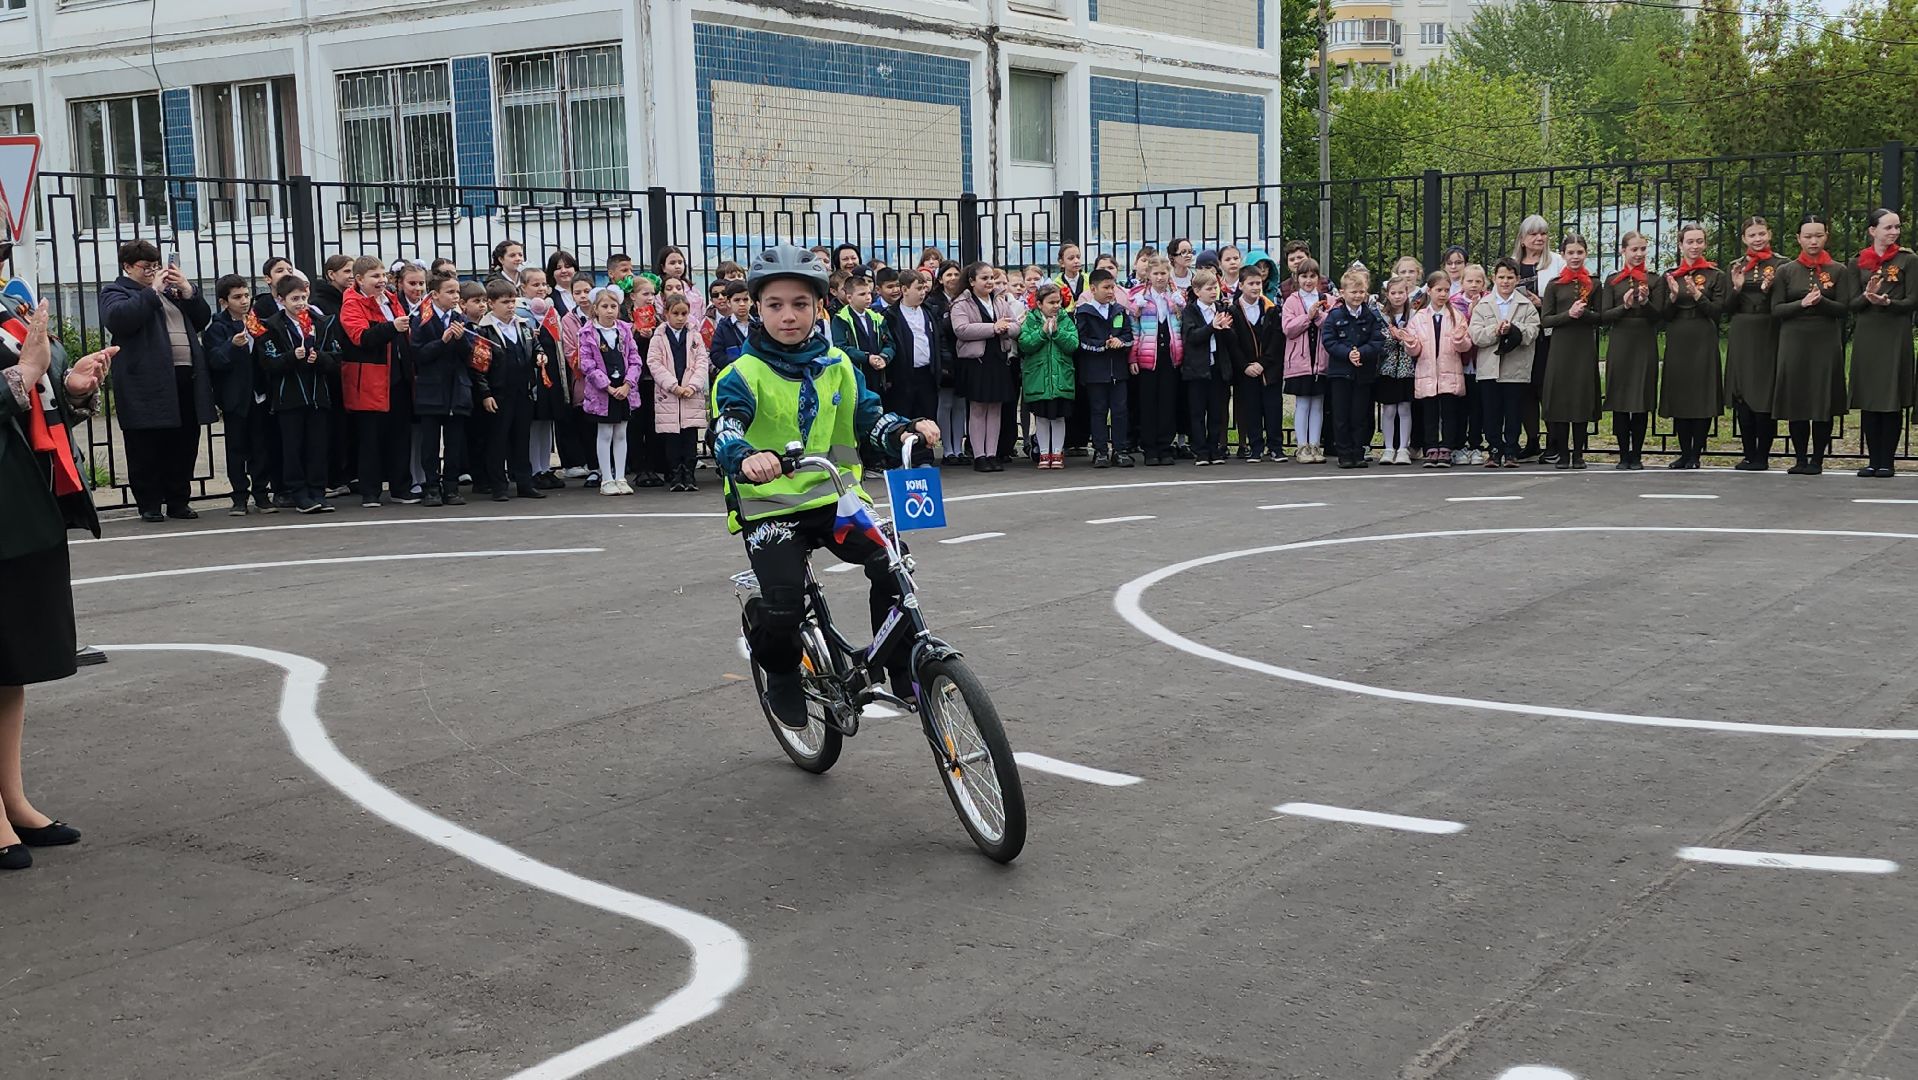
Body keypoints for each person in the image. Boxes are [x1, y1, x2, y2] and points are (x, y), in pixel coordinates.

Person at [709, 245, 938, 728]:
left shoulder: (838, 364)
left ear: (819, 308)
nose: (788, 316)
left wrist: (904, 430)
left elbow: (869, 417)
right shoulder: (740, 375)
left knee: (894, 562)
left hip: (836, 500)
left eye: (800, 304)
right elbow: (725, 430)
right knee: (784, 603)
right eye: (775, 305)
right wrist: (746, 456)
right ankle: (783, 674)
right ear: (757, 307)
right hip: (770, 510)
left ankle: (897, 664)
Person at [0, 300, 113, 870]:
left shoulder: (6, 310)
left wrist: (69, 388)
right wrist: (21, 375)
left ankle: (13, 801)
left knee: (11, 664)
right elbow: (17, 381)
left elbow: (31, 408)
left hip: (25, 509)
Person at [99, 240, 214, 522]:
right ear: (127, 267)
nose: (153, 271)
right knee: (146, 443)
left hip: (184, 374)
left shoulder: (173, 293)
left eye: (155, 266)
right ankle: (149, 503)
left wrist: (189, 292)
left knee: (184, 441)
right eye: (145, 267)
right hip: (146, 380)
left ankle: (178, 501)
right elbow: (119, 320)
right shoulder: (116, 291)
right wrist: (151, 292)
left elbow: (201, 320)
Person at [1771, 213, 1852, 476]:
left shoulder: (1838, 270)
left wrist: (1822, 303)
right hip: (1794, 339)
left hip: (1824, 339)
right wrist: (1802, 304)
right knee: (1798, 398)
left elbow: (1844, 308)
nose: (1813, 241)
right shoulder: (1786, 271)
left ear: (1826, 236)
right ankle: (1800, 458)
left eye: (1818, 235)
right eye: (1808, 236)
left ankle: (1817, 459)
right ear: (1798, 238)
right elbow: (1777, 309)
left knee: (1821, 397)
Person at [257, 273, 342, 514]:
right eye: (295, 298)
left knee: (317, 446)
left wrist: (320, 358)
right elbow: (268, 361)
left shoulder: (321, 322)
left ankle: (317, 490)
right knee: (293, 447)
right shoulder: (271, 326)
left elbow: (336, 357)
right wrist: (291, 358)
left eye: (304, 297)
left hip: (317, 396)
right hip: (289, 398)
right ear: (282, 299)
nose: (300, 303)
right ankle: (299, 493)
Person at [337, 256, 416, 506]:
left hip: (399, 376)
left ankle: (400, 487)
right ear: (359, 280)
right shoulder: (352, 304)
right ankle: (370, 491)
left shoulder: (392, 300)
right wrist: (392, 327)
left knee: (400, 434)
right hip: (370, 379)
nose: (381, 281)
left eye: (383, 276)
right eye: (375, 277)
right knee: (370, 437)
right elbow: (361, 337)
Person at [1848, 208, 1915, 478]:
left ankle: (1887, 461)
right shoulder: (1858, 262)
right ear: (1872, 231)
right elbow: (1850, 303)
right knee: (1870, 396)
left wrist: (1888, 302)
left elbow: (1913, 300)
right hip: (1867, 332)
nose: (1894, 232)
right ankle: (1873, 460)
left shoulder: (1908, 260)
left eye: (1897, 227)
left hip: (1894, 330)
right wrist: (1868, 296)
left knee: (1890, 396)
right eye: (1888, 227)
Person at [203, 274, 277, 515]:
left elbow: (267, 354)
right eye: (237, 297)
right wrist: (231, 346)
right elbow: (215, 360)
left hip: (259, 395)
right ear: (224, 302)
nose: (244, 301)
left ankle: (261, 493)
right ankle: (239, 496)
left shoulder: (256, 322)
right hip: (236, 399)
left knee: (261, 446)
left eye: (246, 295)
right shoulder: (217, 327)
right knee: (237, 448)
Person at [1658, 223, 1727, 470]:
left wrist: (1698, 296)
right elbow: (1662, 316)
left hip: (1702, 335)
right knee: (1681, 394)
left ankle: (1696, 454)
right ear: (1681, 245)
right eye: (1690, 242)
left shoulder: (1715, 275)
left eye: (1699, 241)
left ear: (1705, 244)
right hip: (1678, 336)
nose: (1695, 246)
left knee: (1701, 396)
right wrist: (1674, 297)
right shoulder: (1671, 275)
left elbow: (1719, 312)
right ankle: (1684, 452)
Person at [472, 279, 547, 501]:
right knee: (498, 440)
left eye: (513, 301)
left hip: (522, 391)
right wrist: (485, 393)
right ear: (491, 303)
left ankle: (525, 483)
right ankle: (499, 486)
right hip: (499, 393)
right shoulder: (484, 330)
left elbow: (534, 346)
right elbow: (478, 367)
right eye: (505, 302)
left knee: (521, 439)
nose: (511, 306)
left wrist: (539, 355)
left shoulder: (522, 325)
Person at [409, 274, 478, 507]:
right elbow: (418, 355)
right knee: (429, 443)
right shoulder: (422, 319)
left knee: (454, 442)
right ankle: (431, 486)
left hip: (456, 390)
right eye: (450, 292)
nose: (455, 296)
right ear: (435, 294)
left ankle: (451, 487)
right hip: (431, 390)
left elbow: (470, 355)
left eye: (457, 292)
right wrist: (443, 340)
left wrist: (460, 340)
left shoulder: (461, 319)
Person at [1725, 218, 1786, 471]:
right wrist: (1736, 289)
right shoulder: (1736, 266)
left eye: (1761, 233)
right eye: (1752, 235)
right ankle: (1748, 453)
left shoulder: (1782, 265)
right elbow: (1725, 309)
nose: (1758, 239)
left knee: (1763, 393)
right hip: (1742, 330)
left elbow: (1783, 302)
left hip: (1767, 330)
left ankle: (1763, 455)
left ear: (1769, 234)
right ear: (1744, 238)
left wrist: (1768, 290)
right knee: (1743, 394)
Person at [1468, 258, 1541, 468]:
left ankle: (1511, 451)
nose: (1505, 281)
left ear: (1517, 279)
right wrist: (1495, 330)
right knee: (1491, 411)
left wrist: (1513, 329)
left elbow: (1533, 331)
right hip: (1489, 368)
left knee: (1513, 411)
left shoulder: (1525, 305)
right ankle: (1494, 450)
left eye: (1510, 277)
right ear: (1493, 279)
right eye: (1501, 277)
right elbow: (1476, 334)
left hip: (1515, 368)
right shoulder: (1483, 305)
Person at [1538, 235, 1602, 470]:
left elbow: (1601, 317)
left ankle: (1578, 453)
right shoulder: (1555, 284)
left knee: (1580, 397)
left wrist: (1584, 314)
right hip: (1561, 347)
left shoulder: (1594, 283)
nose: (1575, 257)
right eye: (1571, 253)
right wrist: (1569, 315)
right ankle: (1563, 453)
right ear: (1563, 255)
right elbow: (1545, 320)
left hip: (1583, 346)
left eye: (1579, 252)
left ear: (1586, 254)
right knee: (1562, 399)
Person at [949, 262, 1019, 472]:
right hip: (976, 362)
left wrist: (1007, 328)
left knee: (996, 407)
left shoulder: (999, 300)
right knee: (978, 408)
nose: (989, 282)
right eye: (984, 278)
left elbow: (1016, 325)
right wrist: (993, 327)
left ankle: (992, 453)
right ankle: (979, 455)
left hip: (998, 359)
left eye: (991, 278)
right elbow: (961, 329)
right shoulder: (961, 303)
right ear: (972, 281)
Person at [1602, 232, 1661, 471]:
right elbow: (1604, 316)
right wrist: (1624, 306)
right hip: (1621, 341)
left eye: (1642, 249)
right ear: (1623, 251)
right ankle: (1622, 453)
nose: (1638, 254)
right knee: (1620, 396)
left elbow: (1661, 316)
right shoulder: (1613, 280)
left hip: (1644, 340)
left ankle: (1636, 454)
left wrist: (1646, 303)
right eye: (1634, 249)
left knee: (1640, 397)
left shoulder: (1655, 280)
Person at [1320, 268, 1385, 470]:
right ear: (1342, 292)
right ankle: (1344, 454)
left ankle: (1358, 452)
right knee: (1341, 415)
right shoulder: (1334, 315)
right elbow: (1329, 341)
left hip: (1363, 373)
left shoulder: (1371, 316)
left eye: (1361, 292)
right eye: (1353, 292)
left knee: (1360, 415)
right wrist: (1348, 353)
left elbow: (1377, 340)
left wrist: (1362, 353)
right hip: (1340, 373)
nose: (1357, 296)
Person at [578, 285, 640, 495]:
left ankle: (621, 477)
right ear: (595, 308)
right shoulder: (587, 333)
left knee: (621, 433)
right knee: (605, 433)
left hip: (624, 390)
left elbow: (634, 360)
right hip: (603, 393)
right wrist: (608, 387)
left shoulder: (625, 331)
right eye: (604, 306)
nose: (609, 310)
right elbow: (587, 365)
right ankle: (606, 478)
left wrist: (628, 384)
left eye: (613, 306)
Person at [1512, 216, 1565, 462]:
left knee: (1548, 388)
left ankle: (1554, 441)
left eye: (1543, 234)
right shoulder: (1512, 264)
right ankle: (1531, 440)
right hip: (1521, 337)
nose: (1539, 238)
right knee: (1525, 390)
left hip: (1547, 336)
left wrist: (1542, 304)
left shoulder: (1557, 262)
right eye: (1534, 234)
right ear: (1522, 239)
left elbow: (1564, 298)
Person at [647, 292, 710, 492]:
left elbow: (701, 362)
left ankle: (689, 474)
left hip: (691, 393)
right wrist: (674, 386)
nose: (680, 318)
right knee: (672, 439)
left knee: (690, 437)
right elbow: (654, 363)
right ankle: (675, 474)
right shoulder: (658, 337)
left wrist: (692, 386)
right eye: (676, 313)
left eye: (684, 313)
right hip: (670, 395)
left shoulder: (695, 336)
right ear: (666, 313)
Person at [1408, 270, 1471, 467]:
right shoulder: (1418, 318)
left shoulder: (1456, 316)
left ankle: (1447, 448)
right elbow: (1415, 349)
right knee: (1430, 413)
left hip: (1449, 373)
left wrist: (1460, 340)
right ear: (1429, 290)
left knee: (1449, 412)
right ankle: (1431, 447)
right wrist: (1410, 343)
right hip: (1427, 373)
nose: (1442, 294)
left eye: (1446, 290)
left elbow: (1465, 346)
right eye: (1438, 290)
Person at [1074, 268, 1134, 469]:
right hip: (1095, 373)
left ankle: (1120, 450)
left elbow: (1128, 336)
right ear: (1093, 288)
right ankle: (1100, 450)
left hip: (1117, 371)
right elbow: (1080, 341)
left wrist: (1120, 341)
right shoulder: (1083, 313)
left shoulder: (1119, 311)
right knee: (1098, 411)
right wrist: (1102, 345)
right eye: (1106, 287)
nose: (1110, 292)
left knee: (1120, 411)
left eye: (1113, 287)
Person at [1128, 255, 1185, 467]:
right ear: (1149, 275)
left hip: (1169, 357)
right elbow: (1135, 330)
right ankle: (1150, 448)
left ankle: (1165, 446)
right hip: (1147, 356)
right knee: (1148, 403)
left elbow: (1181, 327)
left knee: (1168, 402)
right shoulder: (1141, 299)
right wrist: (1132, 355)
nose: (1160, 277)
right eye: (1156, 274)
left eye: (1163, 273)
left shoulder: (1176, 298)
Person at [1018, 283, 1078, 470]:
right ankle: (1044, 452)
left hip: (1060, 376)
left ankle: (1057, 452)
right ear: (1039, 303)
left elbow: (1073, 344)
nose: (1056, 306)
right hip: (1038, 377)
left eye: (1058, 301)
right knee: (1042, 417)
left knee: (1059, 417)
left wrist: (1057, 333)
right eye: (1051, 302)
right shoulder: (1030, 320)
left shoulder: (1065, 320)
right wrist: (1042, 332)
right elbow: (1025, 344)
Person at [1227, 264, 1284, 462]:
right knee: (1251, 408)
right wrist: (1245, 365)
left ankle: (1276, 447)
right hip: (1246, 371)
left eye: (1258, 283)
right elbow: (1232, 343)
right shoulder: (1233, 311)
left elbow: (1277, 340)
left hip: (1269, 369)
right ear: (1241, 285)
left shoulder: (1271, 308)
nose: (1255, 287)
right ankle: (1256, 447)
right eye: (1250, 283)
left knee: (1273, 408)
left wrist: (1263, 363)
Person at [1281, 258, 1333, 464]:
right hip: (1300, 361)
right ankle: (1301, 446)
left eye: (1312, 276)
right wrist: (1307, 317)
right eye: (1304, 276)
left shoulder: (1326, 299)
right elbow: (1288, 329)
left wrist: (1318, 316)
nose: (1308, 280)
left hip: (1320, 361)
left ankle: (1315, 445)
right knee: (1303, 403)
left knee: (1318, 403)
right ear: (1297, 278)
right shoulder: (1292, 301)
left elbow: (1330, 325)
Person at [1180, 269, 1233, 467]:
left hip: (1217, 367)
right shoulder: (1190, 311)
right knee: (1197, 411)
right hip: (1197, 369)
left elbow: (1231, 340)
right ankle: (1200, 450)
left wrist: (1226, 329)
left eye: (1215, 288)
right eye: (1209, 288)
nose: (1213, 292)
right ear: (1197, 290)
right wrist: (1212, 326)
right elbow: (1191, 337)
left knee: (1216, 411)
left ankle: (1214, 448)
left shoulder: (1221, 309)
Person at [882, 269, 941, 422]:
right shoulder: (891, 315)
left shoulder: (929, 311)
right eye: (918, 288)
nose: (922, 293)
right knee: (904, 420)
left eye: (924, 288)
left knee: (927, 419)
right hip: (903, 377)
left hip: (927, 375)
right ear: (904, 290)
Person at [1373, 277, 1417, 465]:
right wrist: (1392, 337)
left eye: (1401, 292)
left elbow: (1417, 341)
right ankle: (1389, 448)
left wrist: (1406, 338)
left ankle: (1403, 448)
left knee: (1405, 408)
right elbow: (1378, 344)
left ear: (1407, 294)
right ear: (1387, 295)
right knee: (1389, 409)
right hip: (1387, 370)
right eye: (1393, 293)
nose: (1397, 297)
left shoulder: (1415, 315)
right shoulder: (1381, 316)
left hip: (1408, 370)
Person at [930, 260, 969, 465]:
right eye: (948, 275)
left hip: (962, 357)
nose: (953, 278)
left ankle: (959, 448)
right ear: (940, 279)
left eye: (956, 274)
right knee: (945, 403)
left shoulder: (965, 298)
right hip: (944, 357)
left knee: (960, 404)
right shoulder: (934, 302)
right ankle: (947, 449)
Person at [831, 274, 894, 396]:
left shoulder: (876, 317)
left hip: (878, 376)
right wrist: (866, 357)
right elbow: (840, 348)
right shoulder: (840, 319)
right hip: (856, 376)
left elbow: (890, 343)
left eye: (869, 293)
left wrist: (884, 357)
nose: (868, 298)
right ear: (849, 298)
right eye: (862, 294)